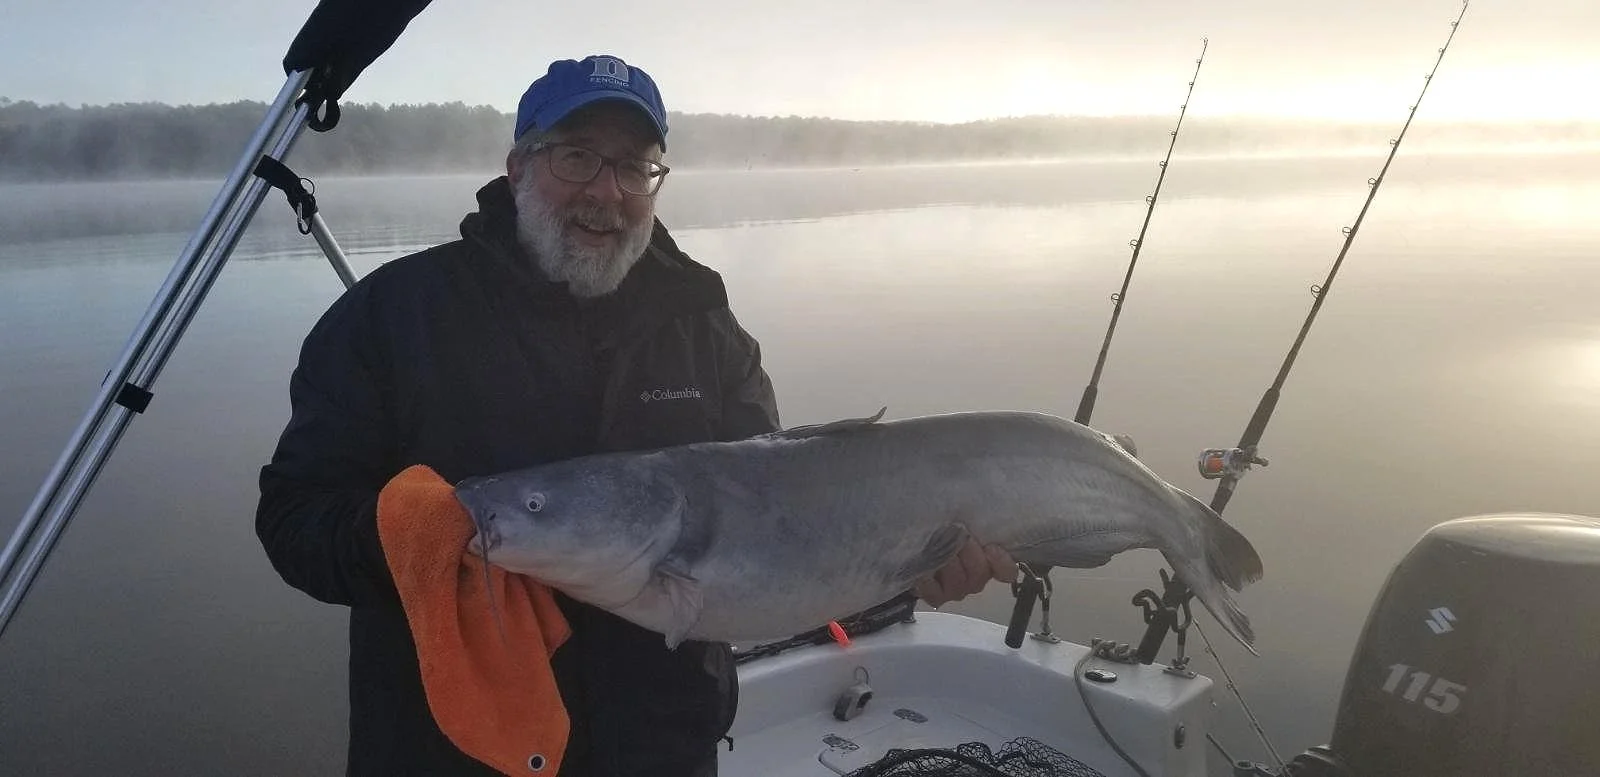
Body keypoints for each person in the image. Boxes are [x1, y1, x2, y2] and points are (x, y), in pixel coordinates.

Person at [255, 54, 1013, 777]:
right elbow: (294, 520)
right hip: (449, 750)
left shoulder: (702, 320)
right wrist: (420, 540)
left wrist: (911, 562)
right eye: (576, 156)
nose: (606, 191)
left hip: (662, 742)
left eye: (633, 166)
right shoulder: (393, 316)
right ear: (517, 167)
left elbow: (784, 513)